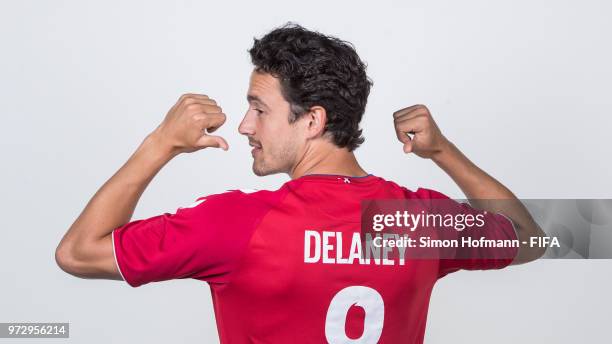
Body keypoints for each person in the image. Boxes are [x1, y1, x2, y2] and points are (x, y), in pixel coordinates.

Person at [56, 23, 545, 343]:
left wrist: (161, 142)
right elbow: (532, 240)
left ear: (312, 121)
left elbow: (77, 253)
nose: (246, 125)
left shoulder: (235, 225)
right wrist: (442, 151)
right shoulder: (417, 223)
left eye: (259, 109)